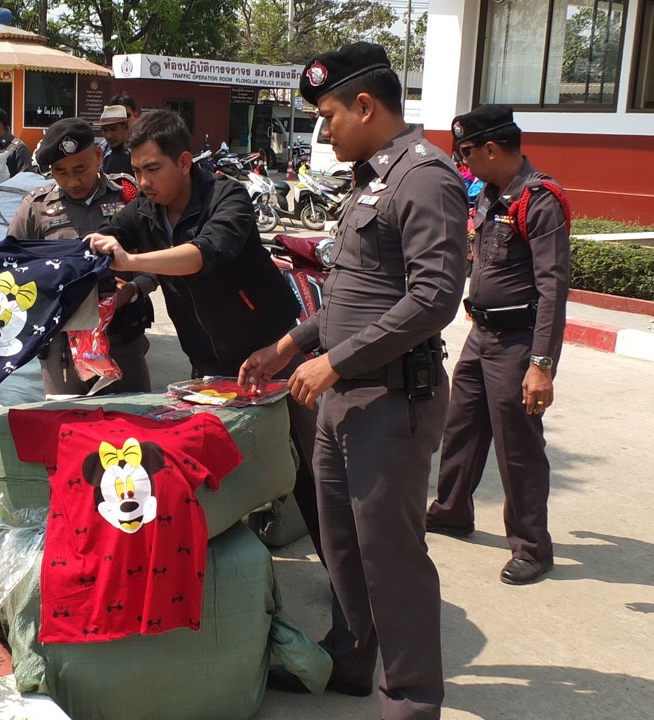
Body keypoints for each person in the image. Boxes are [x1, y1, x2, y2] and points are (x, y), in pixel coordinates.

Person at [238, 43, 466, 720]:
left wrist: (335, 361)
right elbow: (350, 296)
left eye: (328, 115)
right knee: (341, 544)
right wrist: (289, 345)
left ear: (365, 106)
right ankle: (350, 657)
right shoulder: (372, 179)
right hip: (344, 400)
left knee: (390, 557)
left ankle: (412, 701)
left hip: (391, 402)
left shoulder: (423, 178)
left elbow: (434, 297)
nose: (324, 130)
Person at [86, 110, 325, 575]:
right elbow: (115, 234)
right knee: (216, 469)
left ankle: (348, 586)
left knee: (312, 470)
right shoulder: (146, 209)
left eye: (152, 169)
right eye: (136, 171)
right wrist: (99, 243)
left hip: (273, 353)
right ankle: (225, 575)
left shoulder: (226, 195)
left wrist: (131, 261)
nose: (143, 182)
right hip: (208, 362)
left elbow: (204, 254)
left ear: (184, 161)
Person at [425, 105, 571, 586]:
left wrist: (541, 365)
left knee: (518, 446)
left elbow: (553, 288)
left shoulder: (539, 200)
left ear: (491, 148)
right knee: (461, 425)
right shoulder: (489, 194)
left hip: (517, 342)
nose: (462, 161)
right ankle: (452, 510)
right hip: (481, 335)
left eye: (466, 152)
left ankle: (532, 547)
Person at [6, 117, 153, 395]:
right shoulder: (36, 208)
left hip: (121, 338)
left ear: (98, 156)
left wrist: (134, 289)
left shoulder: (128, 198)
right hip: (61, 345)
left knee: (132, 417)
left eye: (80, 169)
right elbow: (12, 266)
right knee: (65, 418)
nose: (72, 181)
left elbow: (158, 256)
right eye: (61, 172)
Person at [94, 104, 134, 177]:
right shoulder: (107, 153)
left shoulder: (132, 154)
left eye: (114, 129)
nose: (109, 136)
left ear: (125, 127)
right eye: (105, 130)